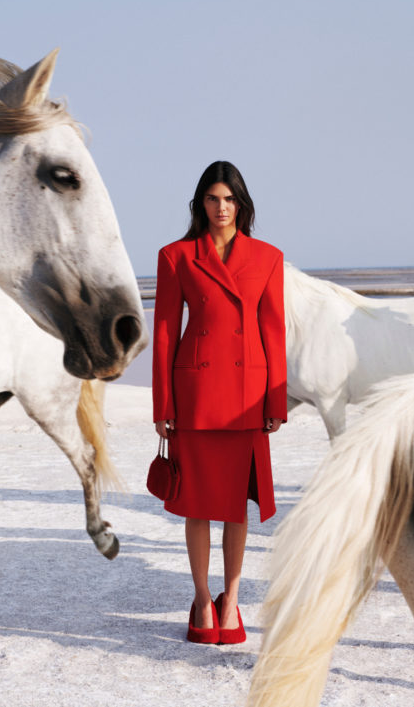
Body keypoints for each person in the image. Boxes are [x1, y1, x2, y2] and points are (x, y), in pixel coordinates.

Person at [152, 160, 286, 645]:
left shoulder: (268, 258)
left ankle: (231, 599)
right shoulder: (176, 256)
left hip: (247, 397)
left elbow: (272, 331)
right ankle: (202, 598)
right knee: (197, 504)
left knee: (234, 507)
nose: (221, 207)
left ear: (241, 204)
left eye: (229, 199)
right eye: (213, 198)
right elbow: (165, 332)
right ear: (200, 204)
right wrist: (162, 405)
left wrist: (277, 401)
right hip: (195, 396)